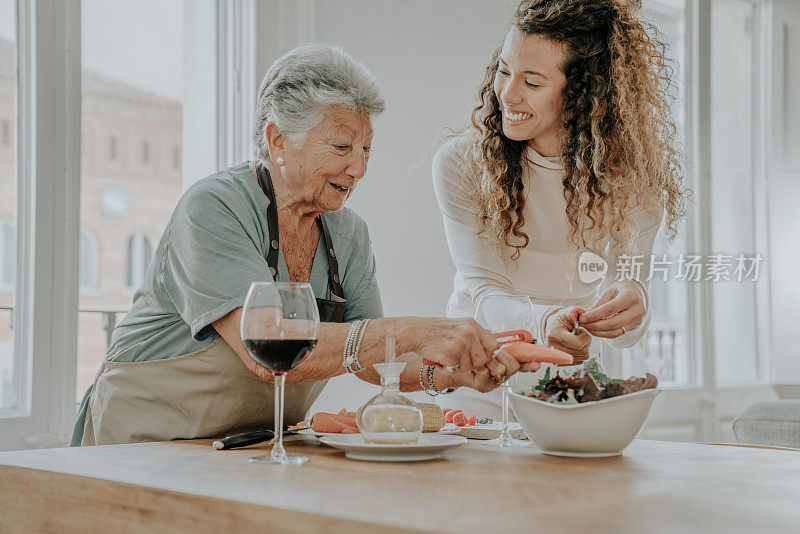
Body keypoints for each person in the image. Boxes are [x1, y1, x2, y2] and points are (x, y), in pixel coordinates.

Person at [72, 44, 521, 446]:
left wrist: (448, 372)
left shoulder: (349, 234)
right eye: (343, 146)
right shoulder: (212, 208)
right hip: (143, 440)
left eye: (367, 148)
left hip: (253, 445)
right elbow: (263, 349)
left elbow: (372, 360)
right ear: (278, 140)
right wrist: (415, 329)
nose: (359, 168)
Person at [433, 0, 687, 416]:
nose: (507, 95)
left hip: (572, 398)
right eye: (503, 71)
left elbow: (626, 334)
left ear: (586, 94)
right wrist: (545, 322)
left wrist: (632, 301)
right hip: (478, 391)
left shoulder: (635, 179)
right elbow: (486, 295)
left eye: (532, 82)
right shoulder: (462, 163)